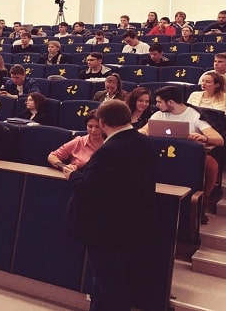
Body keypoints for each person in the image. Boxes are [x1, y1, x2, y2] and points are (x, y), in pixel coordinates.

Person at [65, 100, 156, 311]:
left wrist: (73, 176)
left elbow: (89, 189)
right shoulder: (146, 143)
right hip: (133, 223)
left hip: (106, 228)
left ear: (103, 122)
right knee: (114, 282)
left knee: (108, 284)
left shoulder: (109, 150)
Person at [141, 86, 223, 223]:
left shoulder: (195, 116)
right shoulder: (159, 114)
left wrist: (204, 138)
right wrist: (143, 132)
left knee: (211, 165)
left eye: (159, 102)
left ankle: (200, 205)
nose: (157, 105)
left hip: (187, 159)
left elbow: (219, 140)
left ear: (171, 102)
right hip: (162, 157)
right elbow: (143, 130)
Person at [188, 71, 226, 139]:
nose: (203, 83)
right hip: (196, 126)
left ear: (216, 85)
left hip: (216, 128)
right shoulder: (194, 94)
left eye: (208, 82)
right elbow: (188, 111)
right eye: (203, 81)